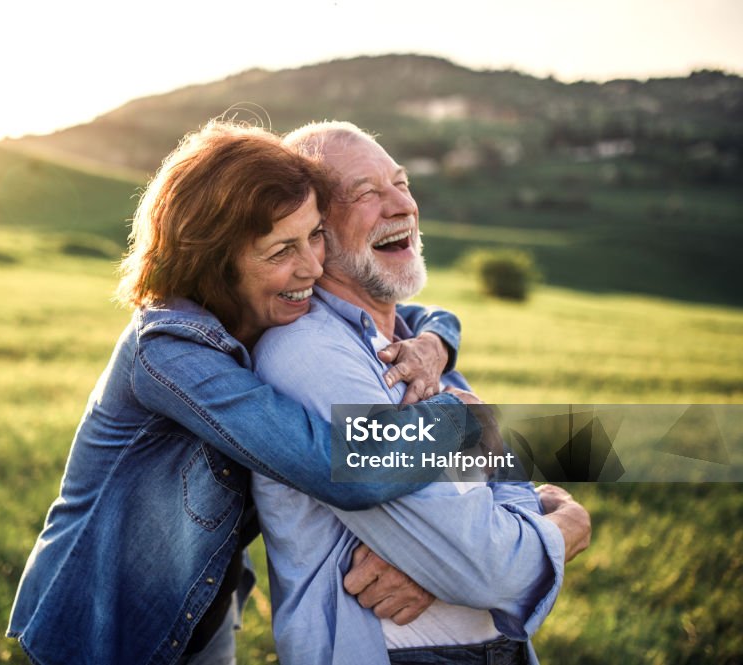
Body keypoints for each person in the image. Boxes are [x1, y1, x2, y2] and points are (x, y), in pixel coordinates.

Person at [6, 121, 487, 665]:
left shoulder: (277, 314)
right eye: (282, 250)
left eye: (314, 236)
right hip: (106, 629)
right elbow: (347, 466)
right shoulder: (170, 353)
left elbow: (426, 315)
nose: (311, 265)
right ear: (216, 260)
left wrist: (434, 344)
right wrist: (472, 424)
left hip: (201, 611)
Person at [251, 121, 592, 665]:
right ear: (316, 233)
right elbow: (485, 567)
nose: (401, 206)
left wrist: (444, 566)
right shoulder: (309, 355)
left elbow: (479, 513)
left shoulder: (414, 349)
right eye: (365, 193)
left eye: (401, 183)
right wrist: (564, 523)